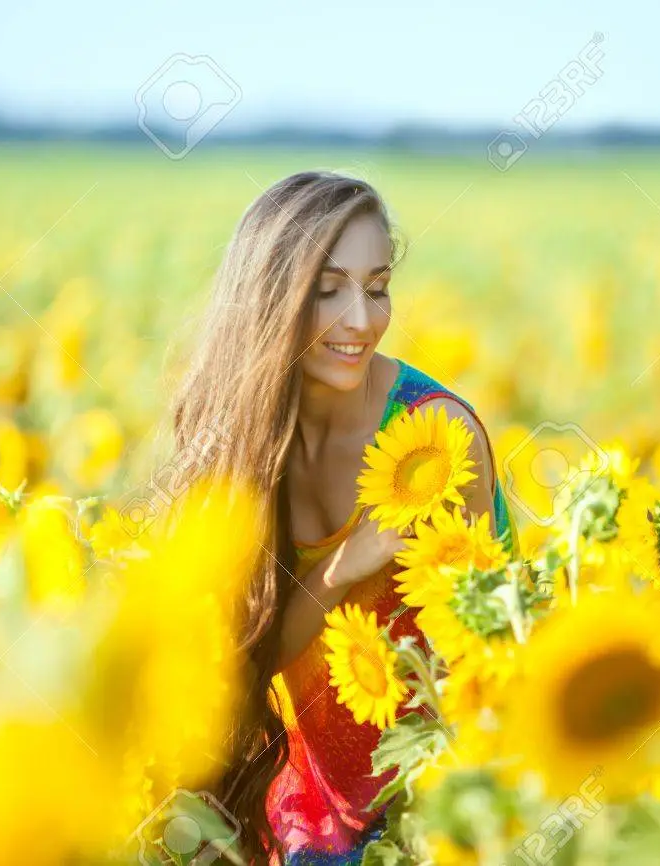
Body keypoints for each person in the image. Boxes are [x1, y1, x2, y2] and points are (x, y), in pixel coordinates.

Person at [169, 170, 516, 865]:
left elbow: (502, 643)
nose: (360, 319)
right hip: (296, 806)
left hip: (432, 808)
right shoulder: (241, 436)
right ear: (268, 302)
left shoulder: (437, 441)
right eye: (328, 291)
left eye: (378, 287)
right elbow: (244, 657)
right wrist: (337, 570)